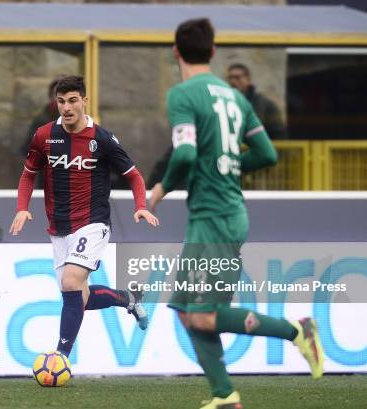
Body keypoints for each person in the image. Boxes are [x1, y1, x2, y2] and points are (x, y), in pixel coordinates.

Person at [149, 18, 323, 409]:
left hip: (216, 217)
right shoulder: (236, 97)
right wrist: (227, 163)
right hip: (220, 213)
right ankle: (225, 395)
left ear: (176, 52)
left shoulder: (182, 95)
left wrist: (160, 188)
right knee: (182, 307)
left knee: (206, 316)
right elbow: (267, 154)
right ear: (212, 53)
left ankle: (297, 331)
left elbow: (187, 154)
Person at [10, 75, 159, 360]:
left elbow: (134, 176)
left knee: (70, 283)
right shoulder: (43, 135)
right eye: (61, 101)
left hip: (92, 222)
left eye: (73, 101)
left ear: (84, 101)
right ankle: (128, 298)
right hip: (59, 228)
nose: (66, 107)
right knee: (80, 297)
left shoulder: (101, 139)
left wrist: (141, 205)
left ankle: (61, 357)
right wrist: (21, 207)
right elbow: (28, 174)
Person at [227, 63, 287, 139]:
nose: (233, 81)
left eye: (237, 77)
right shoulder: (224, 102)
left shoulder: (265, 104)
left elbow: (278, 133)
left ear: (248, 79)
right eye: (230, 78)